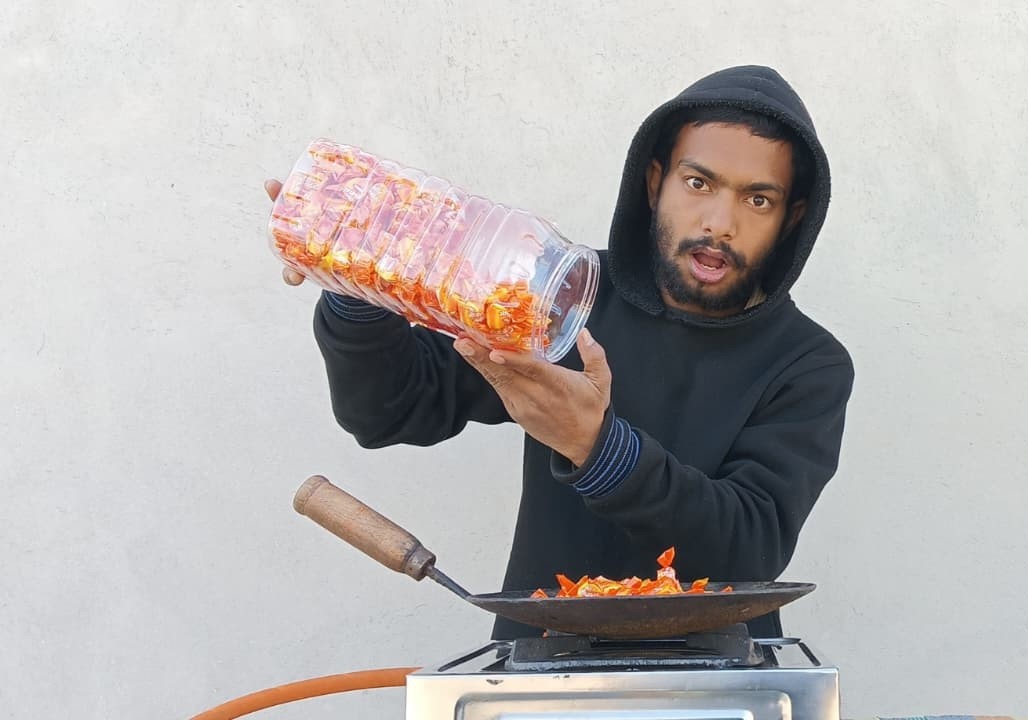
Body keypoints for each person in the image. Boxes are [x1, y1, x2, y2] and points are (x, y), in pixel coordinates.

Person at [265, 64, 855, 640]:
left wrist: (597, 448)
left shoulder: (808, 364)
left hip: (721, 680)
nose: (720, 222)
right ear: (655, 183)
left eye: (758, 200)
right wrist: (360, 279)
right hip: (539, 668)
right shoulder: (564, 300)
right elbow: (388, 409)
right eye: (697, 183)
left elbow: (748, 552)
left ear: (791, 218)